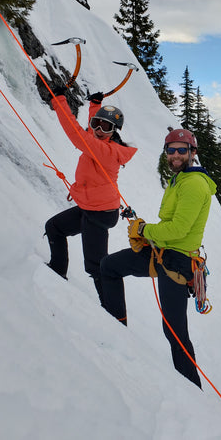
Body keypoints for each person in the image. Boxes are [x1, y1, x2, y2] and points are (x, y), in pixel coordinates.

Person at [100, 128, 216, 388]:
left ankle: (194, 390)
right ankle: (114, 329)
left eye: (181, 150)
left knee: (174, 331)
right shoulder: (180, 179)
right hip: (164, 253)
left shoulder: (194, 185)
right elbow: (172, 227)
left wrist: (143, 230)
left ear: (192, 153)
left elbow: (178, 229)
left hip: (177, 262)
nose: (175, 155)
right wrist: (148, 234)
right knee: (109, 266)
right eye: (171, 150)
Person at [44, 88, 137, 307]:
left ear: (114, 132)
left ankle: (114, 316)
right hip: (89, 207)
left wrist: (59, 101)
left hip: (100, 213)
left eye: (105, 127)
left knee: (97, 267)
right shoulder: (98, 141)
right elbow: (89, 133)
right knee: (54, 227)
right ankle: (56, 275)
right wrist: (95, 106)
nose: (97, 129)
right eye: (96, 123)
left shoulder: (107, 151)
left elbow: (77, 135)